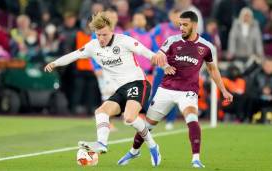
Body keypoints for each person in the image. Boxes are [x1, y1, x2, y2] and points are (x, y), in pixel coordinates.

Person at [44, 12, 165, 166]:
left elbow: (145, 52)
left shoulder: (124, 40)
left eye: (105, 35)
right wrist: (55, 63)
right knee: (101, 111)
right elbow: (73, 55)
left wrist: (157, 58)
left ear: (112, 31)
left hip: (138, 83)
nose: (101, 38)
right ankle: (102, 143)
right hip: (121, 89)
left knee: (129, 118)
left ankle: (153, 146)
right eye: (98, 34)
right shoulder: (92, 46)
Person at [117, 11, 233, 168]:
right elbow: (158, 55)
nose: (181, 28)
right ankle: (133, 151)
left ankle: (196, 159)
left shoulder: (206, 47)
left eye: (185, 25)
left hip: (188, 92)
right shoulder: (172, 41)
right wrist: (165, 65)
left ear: (194, 25)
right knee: (147, 126)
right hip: (166, 89)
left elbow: (213, 70)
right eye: (180, 24)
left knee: (192, 119)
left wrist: (224, 90)